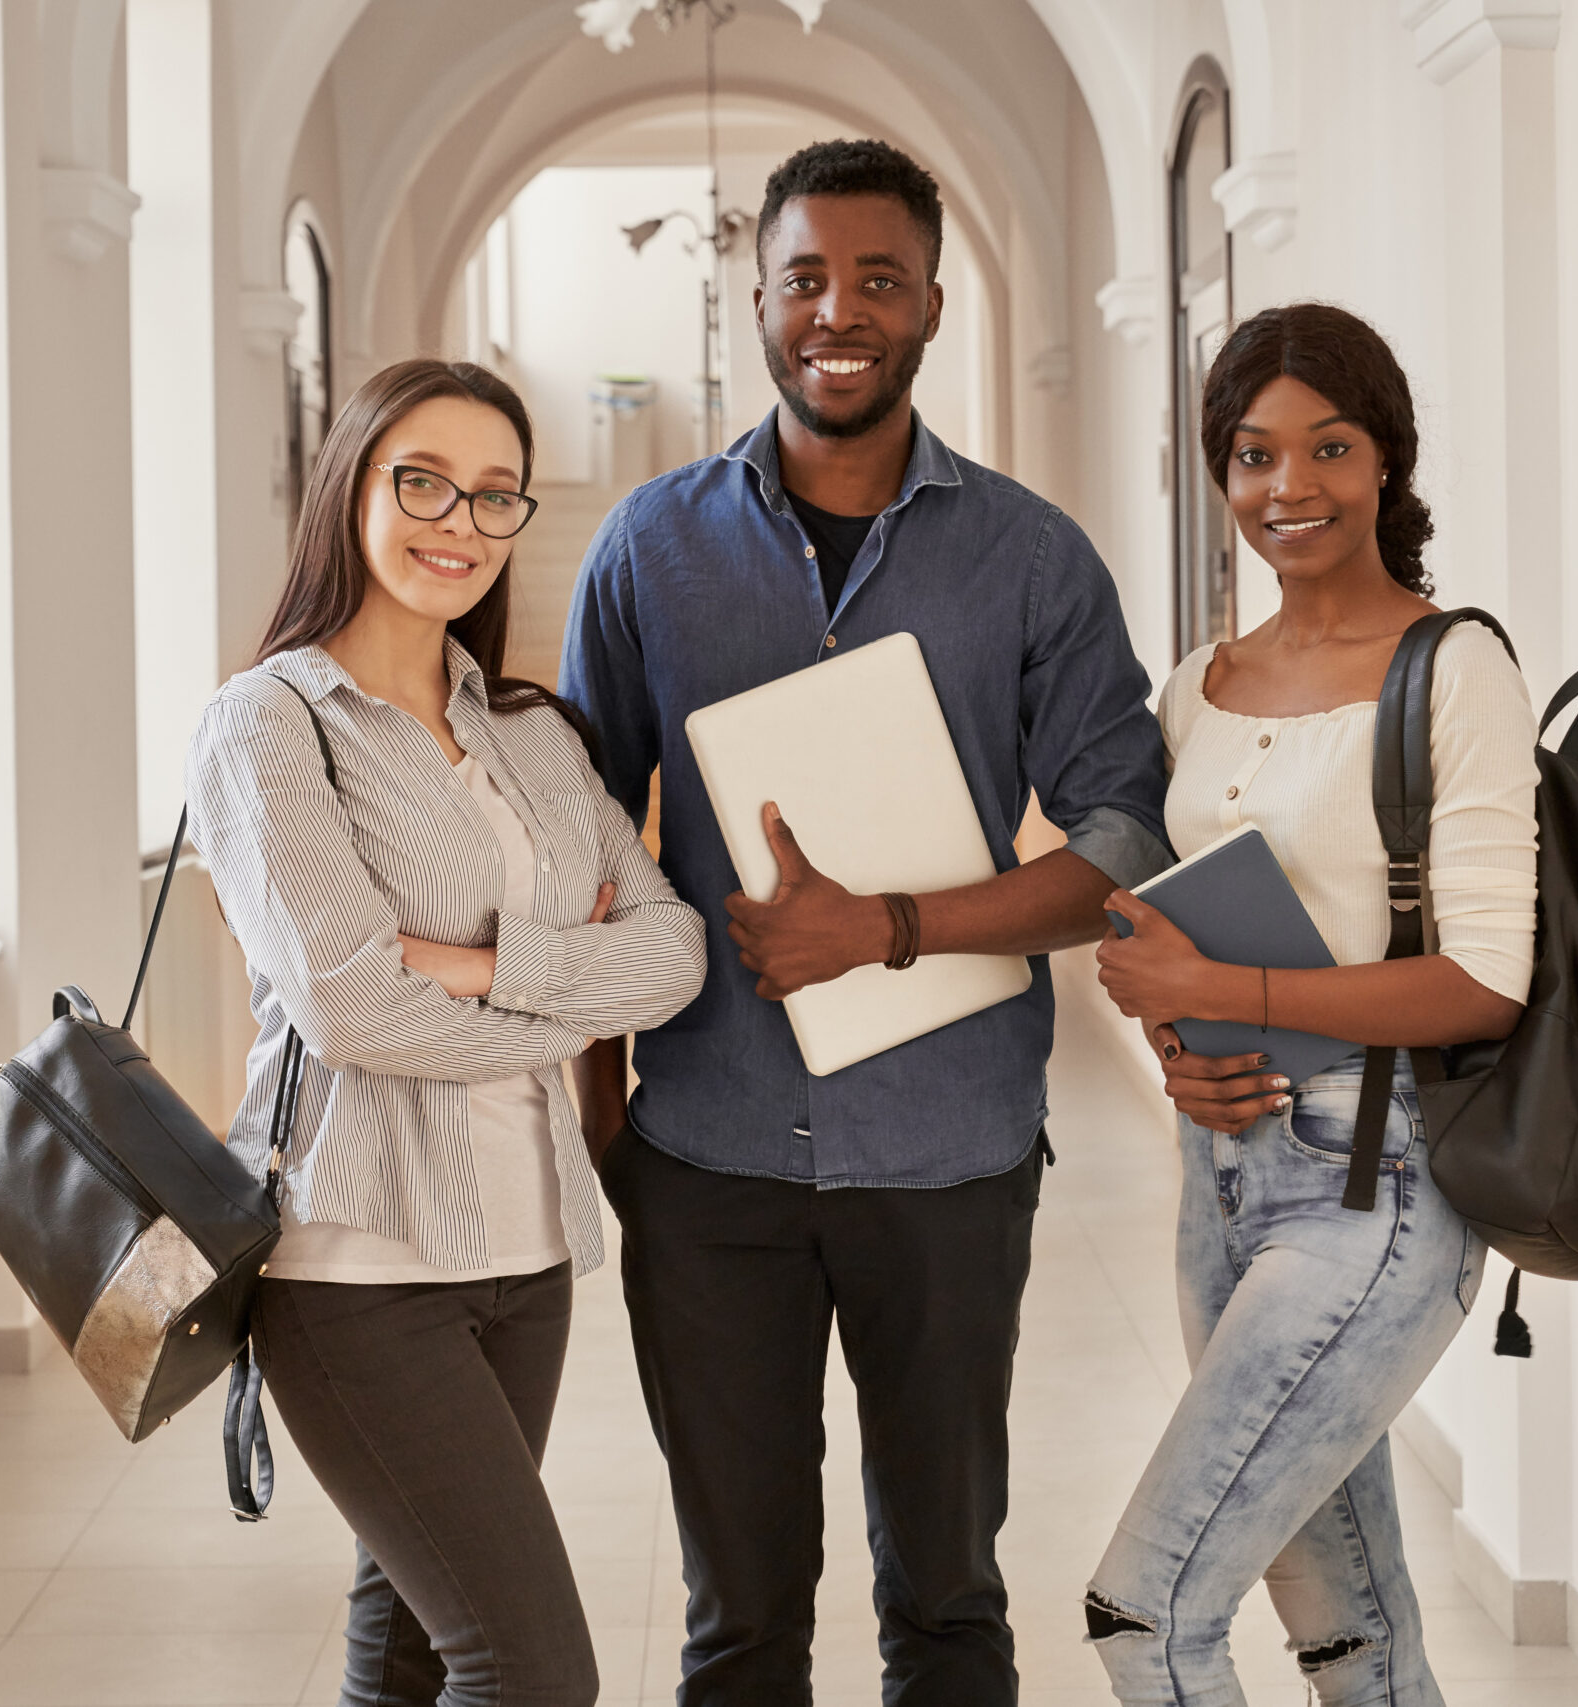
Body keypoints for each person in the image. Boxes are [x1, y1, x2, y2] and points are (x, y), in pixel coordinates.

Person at [558, 139, 1172, 1703]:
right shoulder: (647, 549)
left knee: (951, 1607)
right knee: (739, 1624)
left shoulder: (1034, 558)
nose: (841, 309)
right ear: (754, 301)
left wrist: (887, 926)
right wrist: (605, 1113)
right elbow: (573, 840)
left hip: (951, 1157)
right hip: (705, 1161)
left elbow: (1118, 839)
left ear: (932, 307)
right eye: (806, 278)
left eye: (877, 279)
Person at [188, 358, 706, 1707]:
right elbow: (352, 1006)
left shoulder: (531, 731)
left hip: (527, 1249)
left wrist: (476, 967)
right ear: (352, 485)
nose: (458, 523)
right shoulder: (269, 723)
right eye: (423, 481)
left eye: (493, 496)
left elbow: (673, 952)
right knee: (530, 1669)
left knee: (415, 1639)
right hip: (356, 1263)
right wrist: (558, 992)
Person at [1083, 301, 1539, 1704]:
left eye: (1329, 448)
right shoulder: (1196, 688)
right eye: (1254, 455)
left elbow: (1482, 983)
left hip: (1379, 1190)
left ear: (1387, 462)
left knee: (1146, 1616)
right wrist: (1178, 1045)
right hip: (1220, 1185)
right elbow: (1164, 925)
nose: (1291, 489)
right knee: (1348, 1627)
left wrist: (1211, 986)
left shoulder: (1451, 667)